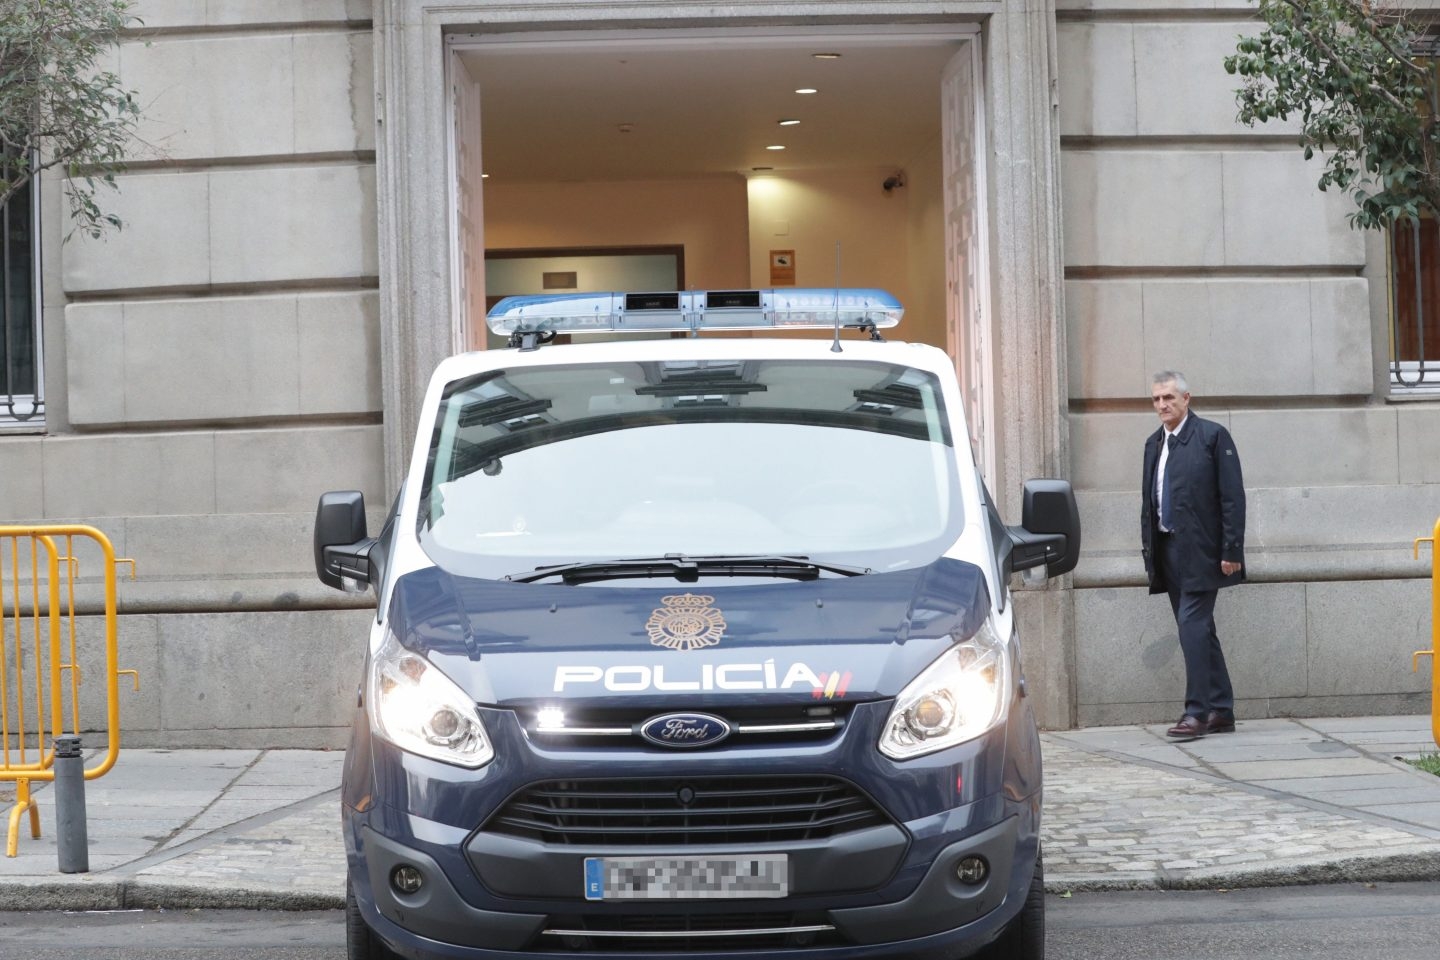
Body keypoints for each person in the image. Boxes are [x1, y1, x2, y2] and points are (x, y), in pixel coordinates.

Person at [1140, 370, 1245, 739]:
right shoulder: (1154, 443)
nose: (1162, 405)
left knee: (1192, 627)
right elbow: (1149, 502)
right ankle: (1222, 709)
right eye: (1156, 399)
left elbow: (1232, 497)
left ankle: (1197, 713)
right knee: (1199, 630)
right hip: (1168, 550)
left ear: (1187, 398)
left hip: (1203, 551)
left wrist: (1231, 549)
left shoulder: (1212, 436)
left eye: (1169, 397)